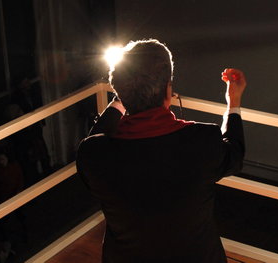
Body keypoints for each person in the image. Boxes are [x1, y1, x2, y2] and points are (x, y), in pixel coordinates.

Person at [76, 39, 246, 263]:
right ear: (168, 89)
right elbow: (235, 155)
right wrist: (233, 102)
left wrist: (125, 96)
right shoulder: (202, 140)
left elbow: (96, 137)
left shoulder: (93, 154)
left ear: (120, 90)